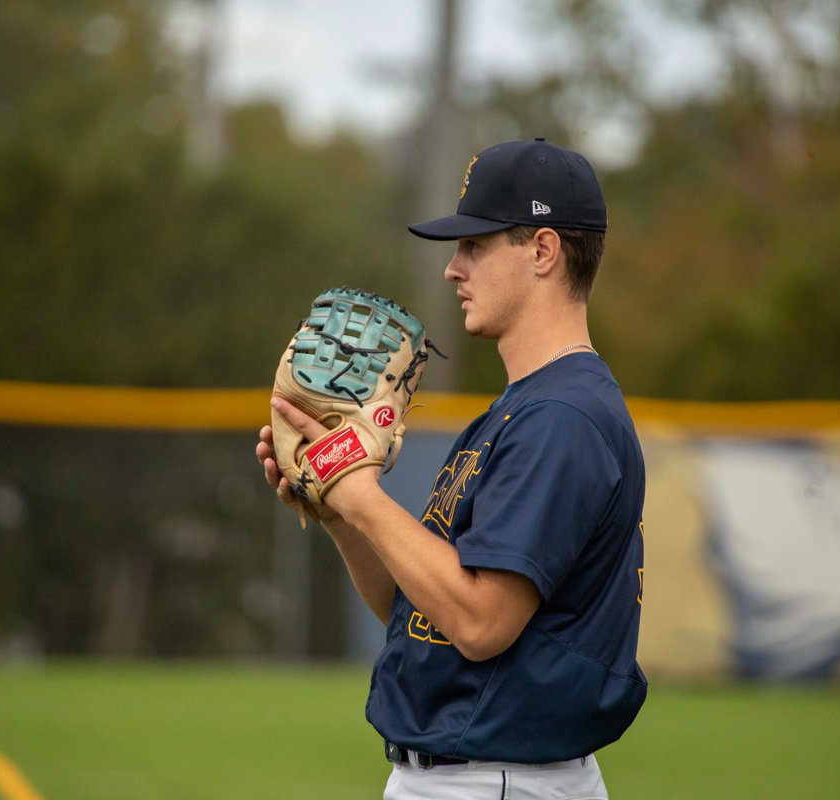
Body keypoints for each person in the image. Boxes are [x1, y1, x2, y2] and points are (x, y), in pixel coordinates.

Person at [257, 138, 646, 800]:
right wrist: (340, 512)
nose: (453, 269)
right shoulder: (524, 408)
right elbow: (422, 614)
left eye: (476, 245)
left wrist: (361, 495)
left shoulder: (562, 418)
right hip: (474, 774)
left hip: (497, 780)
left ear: (544, 252)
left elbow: (480, 623)